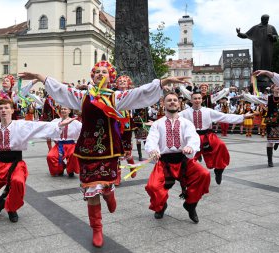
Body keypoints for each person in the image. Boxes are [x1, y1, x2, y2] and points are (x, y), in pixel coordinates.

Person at [18, 60, 190, 248]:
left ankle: (109, 192)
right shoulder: (83, 96)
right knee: (91, 191)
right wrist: (38, 77)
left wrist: (164, 81)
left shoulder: (116, 97)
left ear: (110, 77)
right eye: (97, 72)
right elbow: (61, 90)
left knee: (106, 186)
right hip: (87, 150)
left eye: (104, 72)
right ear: (92, 76)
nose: (100, 74)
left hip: (109, 150)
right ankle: (97, 229)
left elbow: (138, 93)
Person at [145, 92, 210, 223]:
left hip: (184, 160)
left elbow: (192, 137)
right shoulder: (157, 124)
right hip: (164, 162)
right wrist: (153, 150)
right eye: (169, 100)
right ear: (163, 104)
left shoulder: (186, 123)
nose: (173, 102)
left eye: (175, 100)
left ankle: (191, 204)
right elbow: (151, 140)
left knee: (204, 174)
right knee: (152, 186)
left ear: (179, 103)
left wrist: (190, 146)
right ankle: (161, 205)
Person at [179, 90, 253, 184]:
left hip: (207, 136)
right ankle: (188, 175)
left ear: (202, 100)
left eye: (199, 98)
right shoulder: (185, 113)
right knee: (187, 157)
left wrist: (242, 117)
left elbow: (224, 117)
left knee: (221, 145)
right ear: (191, 100)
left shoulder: (208, 111)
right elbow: (173, 118)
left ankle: (219, 170)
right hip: (192, 137)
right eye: (195, 98)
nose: (197, 100)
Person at [243, 84, 279, 167]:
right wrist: (244, 95)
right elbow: (255, 99)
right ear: (272, 89)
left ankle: (278, 143)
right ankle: (270, 160)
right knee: (270, 141)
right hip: (271, 121)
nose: (278, 88)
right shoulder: (267, 98)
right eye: (276, 86)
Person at [47, 106, 82, 177]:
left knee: (73, 154)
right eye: (62, 109)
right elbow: (48, 133)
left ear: (69, 111)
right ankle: (61, 168)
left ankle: (70, 170)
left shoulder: (75, 122)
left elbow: (83, 131)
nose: (63, 110)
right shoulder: (55, 121)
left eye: (65, 109)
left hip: (71, 144)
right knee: (50, 156)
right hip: (59, 145)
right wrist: (50, 147)